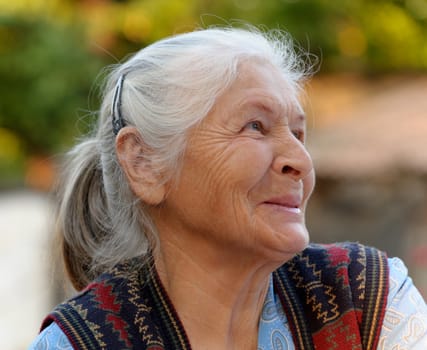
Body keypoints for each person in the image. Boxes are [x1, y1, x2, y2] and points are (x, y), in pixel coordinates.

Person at [30, 27, 427, 350]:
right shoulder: (80, 342)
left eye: (299, 133)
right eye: (254, 126)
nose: (302, 161)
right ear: (144, 163)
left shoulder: (365, 298)